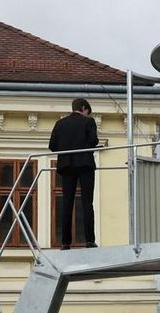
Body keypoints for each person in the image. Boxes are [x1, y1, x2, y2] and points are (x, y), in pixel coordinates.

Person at [47, 97, 98, 249]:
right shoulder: (89, 122)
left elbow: (52, 146)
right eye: (87, 112)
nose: (87, 115)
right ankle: (89, 240)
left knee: (67, 203)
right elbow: (93, 141)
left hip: (66, 166)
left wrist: (66, 149)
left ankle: (65, 242)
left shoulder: (60, 124)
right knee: (87, 202)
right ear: (83, 108)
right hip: (85, 165)